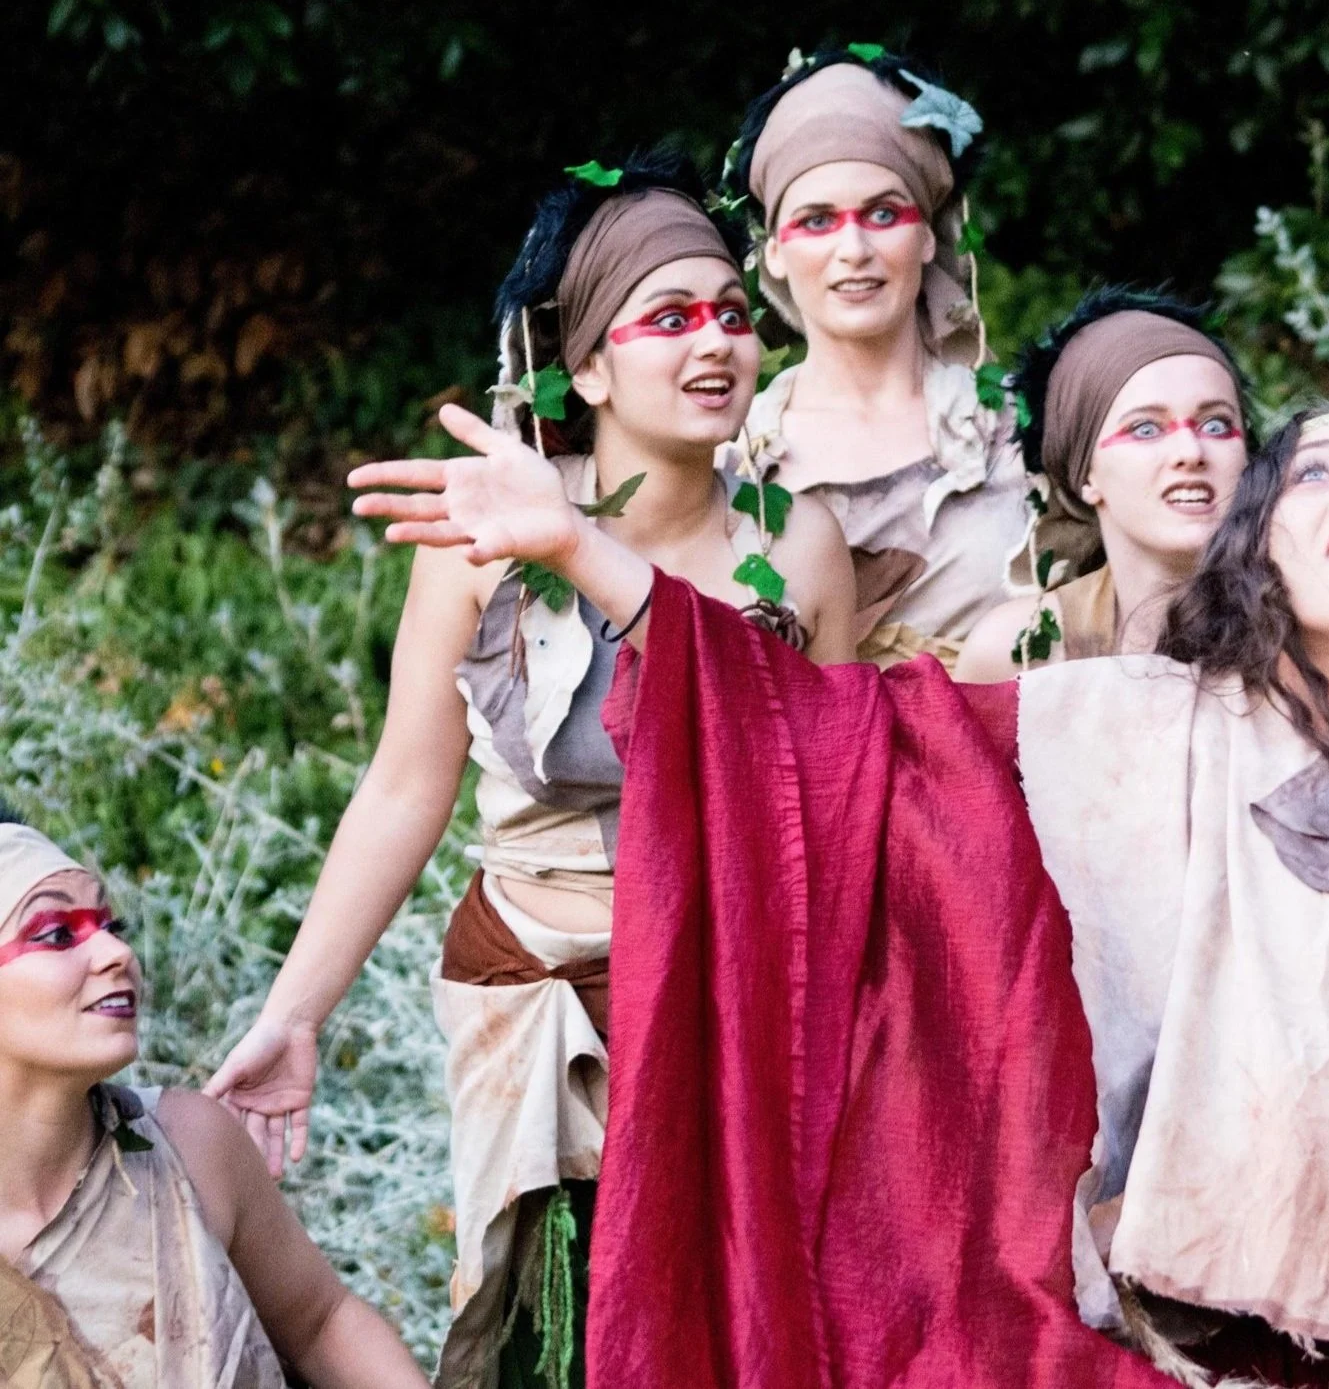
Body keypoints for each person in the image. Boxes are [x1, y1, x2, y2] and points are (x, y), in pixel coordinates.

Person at [346, 397, 1329, 1385]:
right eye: (1317, 474)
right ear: (1262, 543)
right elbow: (835, 743)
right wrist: (587, 552)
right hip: (1223, 1330)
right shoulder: (1139, 728)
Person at [204, 155, 855, 1387]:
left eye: (731, 313)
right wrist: (294, 1014)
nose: (714, 343)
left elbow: (829, 804)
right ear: (589, 365)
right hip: (539, 1005)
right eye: (669, 318)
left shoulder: (798, 542)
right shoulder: (482, 541)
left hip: (734, 1007)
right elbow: (407, 782)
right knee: (560, 1334)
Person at [0, 809, 432, 1389]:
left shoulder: (188, 1144)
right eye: (57, 933)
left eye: (112, 925)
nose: (115, 954)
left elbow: (321, 1323)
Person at [721, 47, 1030, 668]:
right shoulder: (728, 458)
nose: (853, 249)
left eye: (882, 213)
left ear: (925, 237)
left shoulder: (1024, 431)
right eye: (817, 221)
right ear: (773, 252)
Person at [955, 290, 1257, 682]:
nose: (1190, 452)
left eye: (1215, 425)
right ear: (1085, 476)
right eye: (1146, 428)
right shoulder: (1018, 653)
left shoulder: (1309, 637)